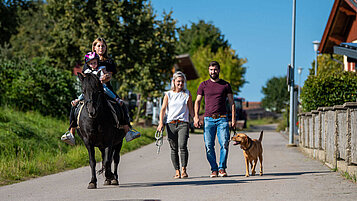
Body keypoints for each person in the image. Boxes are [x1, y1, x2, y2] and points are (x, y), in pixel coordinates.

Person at [61, 38, 139, 145]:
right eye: (98, 46)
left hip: (106, 89)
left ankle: (127, 131)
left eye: (103, 46)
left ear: (106, 47)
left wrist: (105, 77)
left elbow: (109, 75)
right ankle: (71, 132)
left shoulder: (108, 62)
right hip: (91, 91)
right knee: (75, 106)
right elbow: (85, 78)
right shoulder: (88, 62)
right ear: (94, 47)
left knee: (121, 105)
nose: (101, 48)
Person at [194, 61, 236, 178]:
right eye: (211, 69)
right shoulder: (203, 85)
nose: (213, 72)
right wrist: (196, 117)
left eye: (215, 69)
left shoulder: (225, 85)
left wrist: (233, 119)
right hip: (208, 119)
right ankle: (214, 169)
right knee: (208, 145)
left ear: (219, 70)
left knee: (224, 144)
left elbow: (232, 103)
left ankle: (222, 168)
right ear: (209, 70)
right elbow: (197, 101)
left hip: (222, 119)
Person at [157, 71, 194, 179]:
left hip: (183, 123)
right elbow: (163, 109)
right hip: (170, 124)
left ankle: (184, 170)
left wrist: (195, 118)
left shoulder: (187, 94)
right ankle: (177, 170)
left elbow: (191, 109)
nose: (180, 83)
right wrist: (160, 123)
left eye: (182, 81)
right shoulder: (168, 94)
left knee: (182, 146)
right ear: (173, 82)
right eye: (178, 81)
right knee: (173, 148)